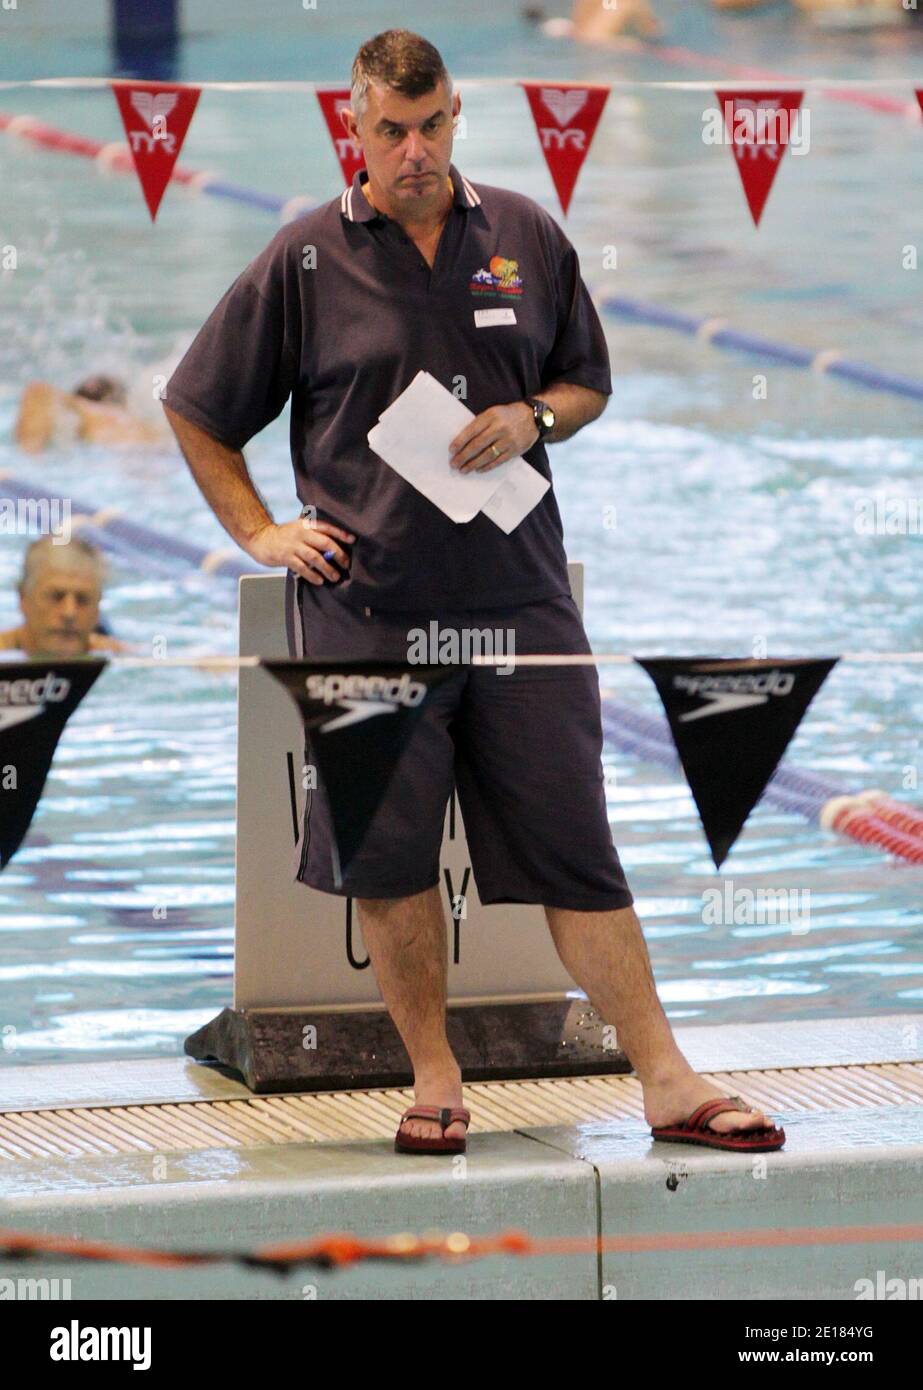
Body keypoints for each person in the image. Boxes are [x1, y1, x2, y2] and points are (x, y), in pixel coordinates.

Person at [163, 29, 783, 1155]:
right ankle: (435, 1075)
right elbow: (196, 407)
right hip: (368, 613)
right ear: (350, 125)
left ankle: (664, 1075)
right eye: (391, 129)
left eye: (433, 122)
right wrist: (259, 529)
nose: (415, 149)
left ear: (457, 117)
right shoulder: (303, 259)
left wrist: (533, 418)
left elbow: (587, 380)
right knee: (389, 864)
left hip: (519, 602)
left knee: (575, 845)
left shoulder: (527, 237)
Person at [0, 535, 129, 657]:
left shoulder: (118, 657)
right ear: (23, 598)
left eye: (83, 600)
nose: (69, 613)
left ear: (97, 608)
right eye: (56, 597)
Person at [13, 374, 167, 453]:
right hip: (161, 456)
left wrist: (30, 452)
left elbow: (36, 390)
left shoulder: (86, 409)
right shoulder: (147, 425)